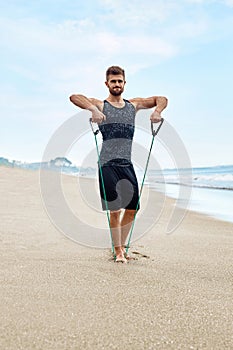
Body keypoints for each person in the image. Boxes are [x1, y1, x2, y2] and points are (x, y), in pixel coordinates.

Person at [70, 66, 168, 263]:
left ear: (124, 83)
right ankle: (119, 252)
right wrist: (92, 110)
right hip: (107, 164)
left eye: (120, 81)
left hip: (126, 164)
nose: (116, 84)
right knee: (115, 210)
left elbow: (162, 98)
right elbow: (74, 97)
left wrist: (157, 111)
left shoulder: (134, 105)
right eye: (113, 81)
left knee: (132, 208)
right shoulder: (101, 104)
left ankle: (121, 245)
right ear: (107, 84)